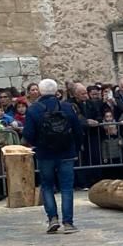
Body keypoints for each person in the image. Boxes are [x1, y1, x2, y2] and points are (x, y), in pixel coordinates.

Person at [23, 77, 82, 233]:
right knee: (67, 188)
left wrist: (38, 143)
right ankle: (68, 223)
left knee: (47, 186)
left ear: (40, 92)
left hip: (45, 153)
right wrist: (77, 148)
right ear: (56, 91)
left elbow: (28, 133)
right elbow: (78, 130)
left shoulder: (34, 109)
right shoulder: (68, 107)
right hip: (66, 152)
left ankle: (52, 219)